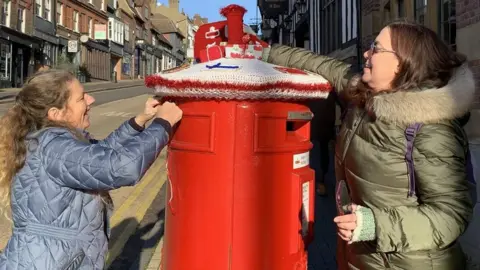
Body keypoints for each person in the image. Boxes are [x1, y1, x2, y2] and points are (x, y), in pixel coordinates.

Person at [265, 20, 474, 269]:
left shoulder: (432, 128)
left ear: (404, 62)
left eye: (376, 48)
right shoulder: (364, 96)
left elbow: (450, 214)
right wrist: (265, 51)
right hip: (362, 258)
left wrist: (375, 224)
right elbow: (322, 65)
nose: (366, 52)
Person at [0, 69, 182, 269]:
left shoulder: (50, 141)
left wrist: (140, 120)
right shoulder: (55, 148)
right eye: (81, 98)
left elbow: (97, 154)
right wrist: (163, 124)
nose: (91, 99)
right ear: (56, 113)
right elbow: (121, 168)